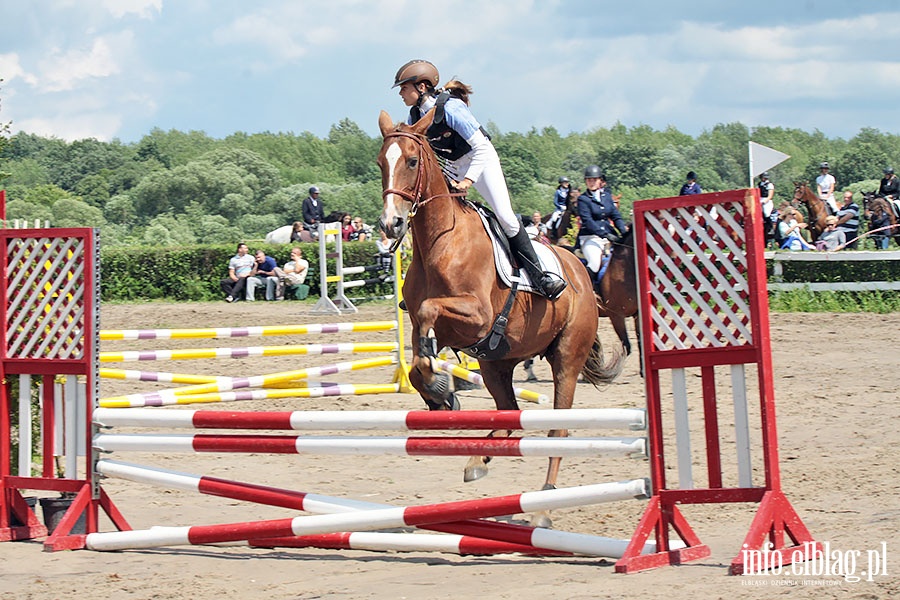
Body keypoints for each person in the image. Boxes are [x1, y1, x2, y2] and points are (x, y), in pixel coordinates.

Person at [392, 59, 565, 299]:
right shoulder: (414, 117)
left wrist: (467, 181)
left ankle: (540, 276)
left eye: (404, 87)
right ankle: (424, 283)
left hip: (480, 162)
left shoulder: (450, 108)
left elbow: (482, 147)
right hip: (452, 166)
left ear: (421, 87)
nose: (400, 93)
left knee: (505, 217)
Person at [577, 165, 627, 282]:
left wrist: (624, 232)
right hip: (590, 237)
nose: (592, 182)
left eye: (594, 180)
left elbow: (616, 216)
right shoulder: (583, 199)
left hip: (610, 236)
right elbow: (588, 221)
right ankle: (590, 291)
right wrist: (605, 234)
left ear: (600, 180)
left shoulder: (607, 197)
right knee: (595, 262)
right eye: (589, 180)